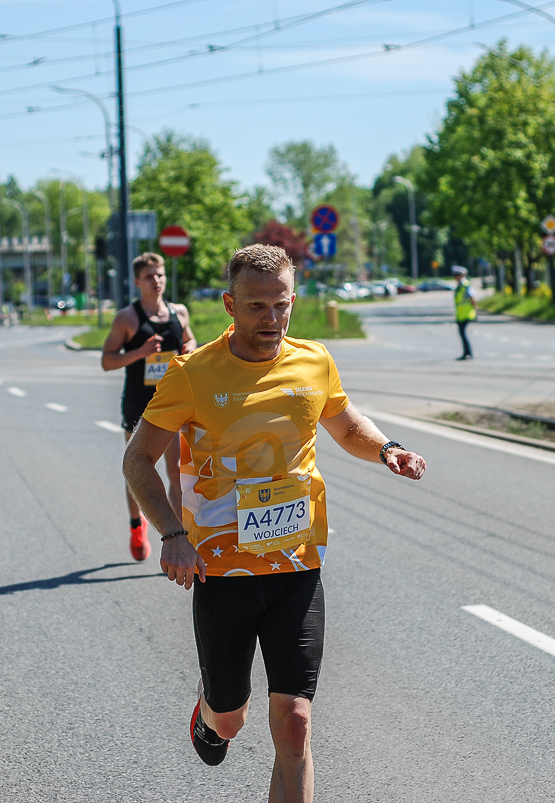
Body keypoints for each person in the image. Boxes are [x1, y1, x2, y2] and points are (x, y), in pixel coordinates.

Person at [123, 244, 427, 802]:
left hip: (296, 564)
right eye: (257, 306)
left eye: (281, 305)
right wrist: (171, 534)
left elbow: (344, 421)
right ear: (229, 306)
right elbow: (136, 460)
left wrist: (388, 449)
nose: (271, 319)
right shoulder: (193, 374)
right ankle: (210, 712)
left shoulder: (314, 360)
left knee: (295, 722)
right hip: (222, 571)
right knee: (231, 719)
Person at [101, 252, 196, 562]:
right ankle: (136, 526)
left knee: (175, 471)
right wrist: (140, 352)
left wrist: (188, 349)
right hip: (139, 406)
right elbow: (107, 361)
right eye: (149, 276)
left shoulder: (178, 313)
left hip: (172, 402)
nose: (156, 281)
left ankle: (180, 533)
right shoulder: (127, 318)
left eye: (160, 275)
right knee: (138, 469)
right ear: (137, 281)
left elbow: (190, 340)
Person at [452, 265, 476, 360]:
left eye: (457, 275)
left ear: (461, 275)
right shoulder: (460, 286)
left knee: (463, 333)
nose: (455, 277)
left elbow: (472, 298)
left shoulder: (465, 285)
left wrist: (475, 311)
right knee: (462, 334)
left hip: (466, 314)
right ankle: (467, 353)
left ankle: (467, 353)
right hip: (461, 314)